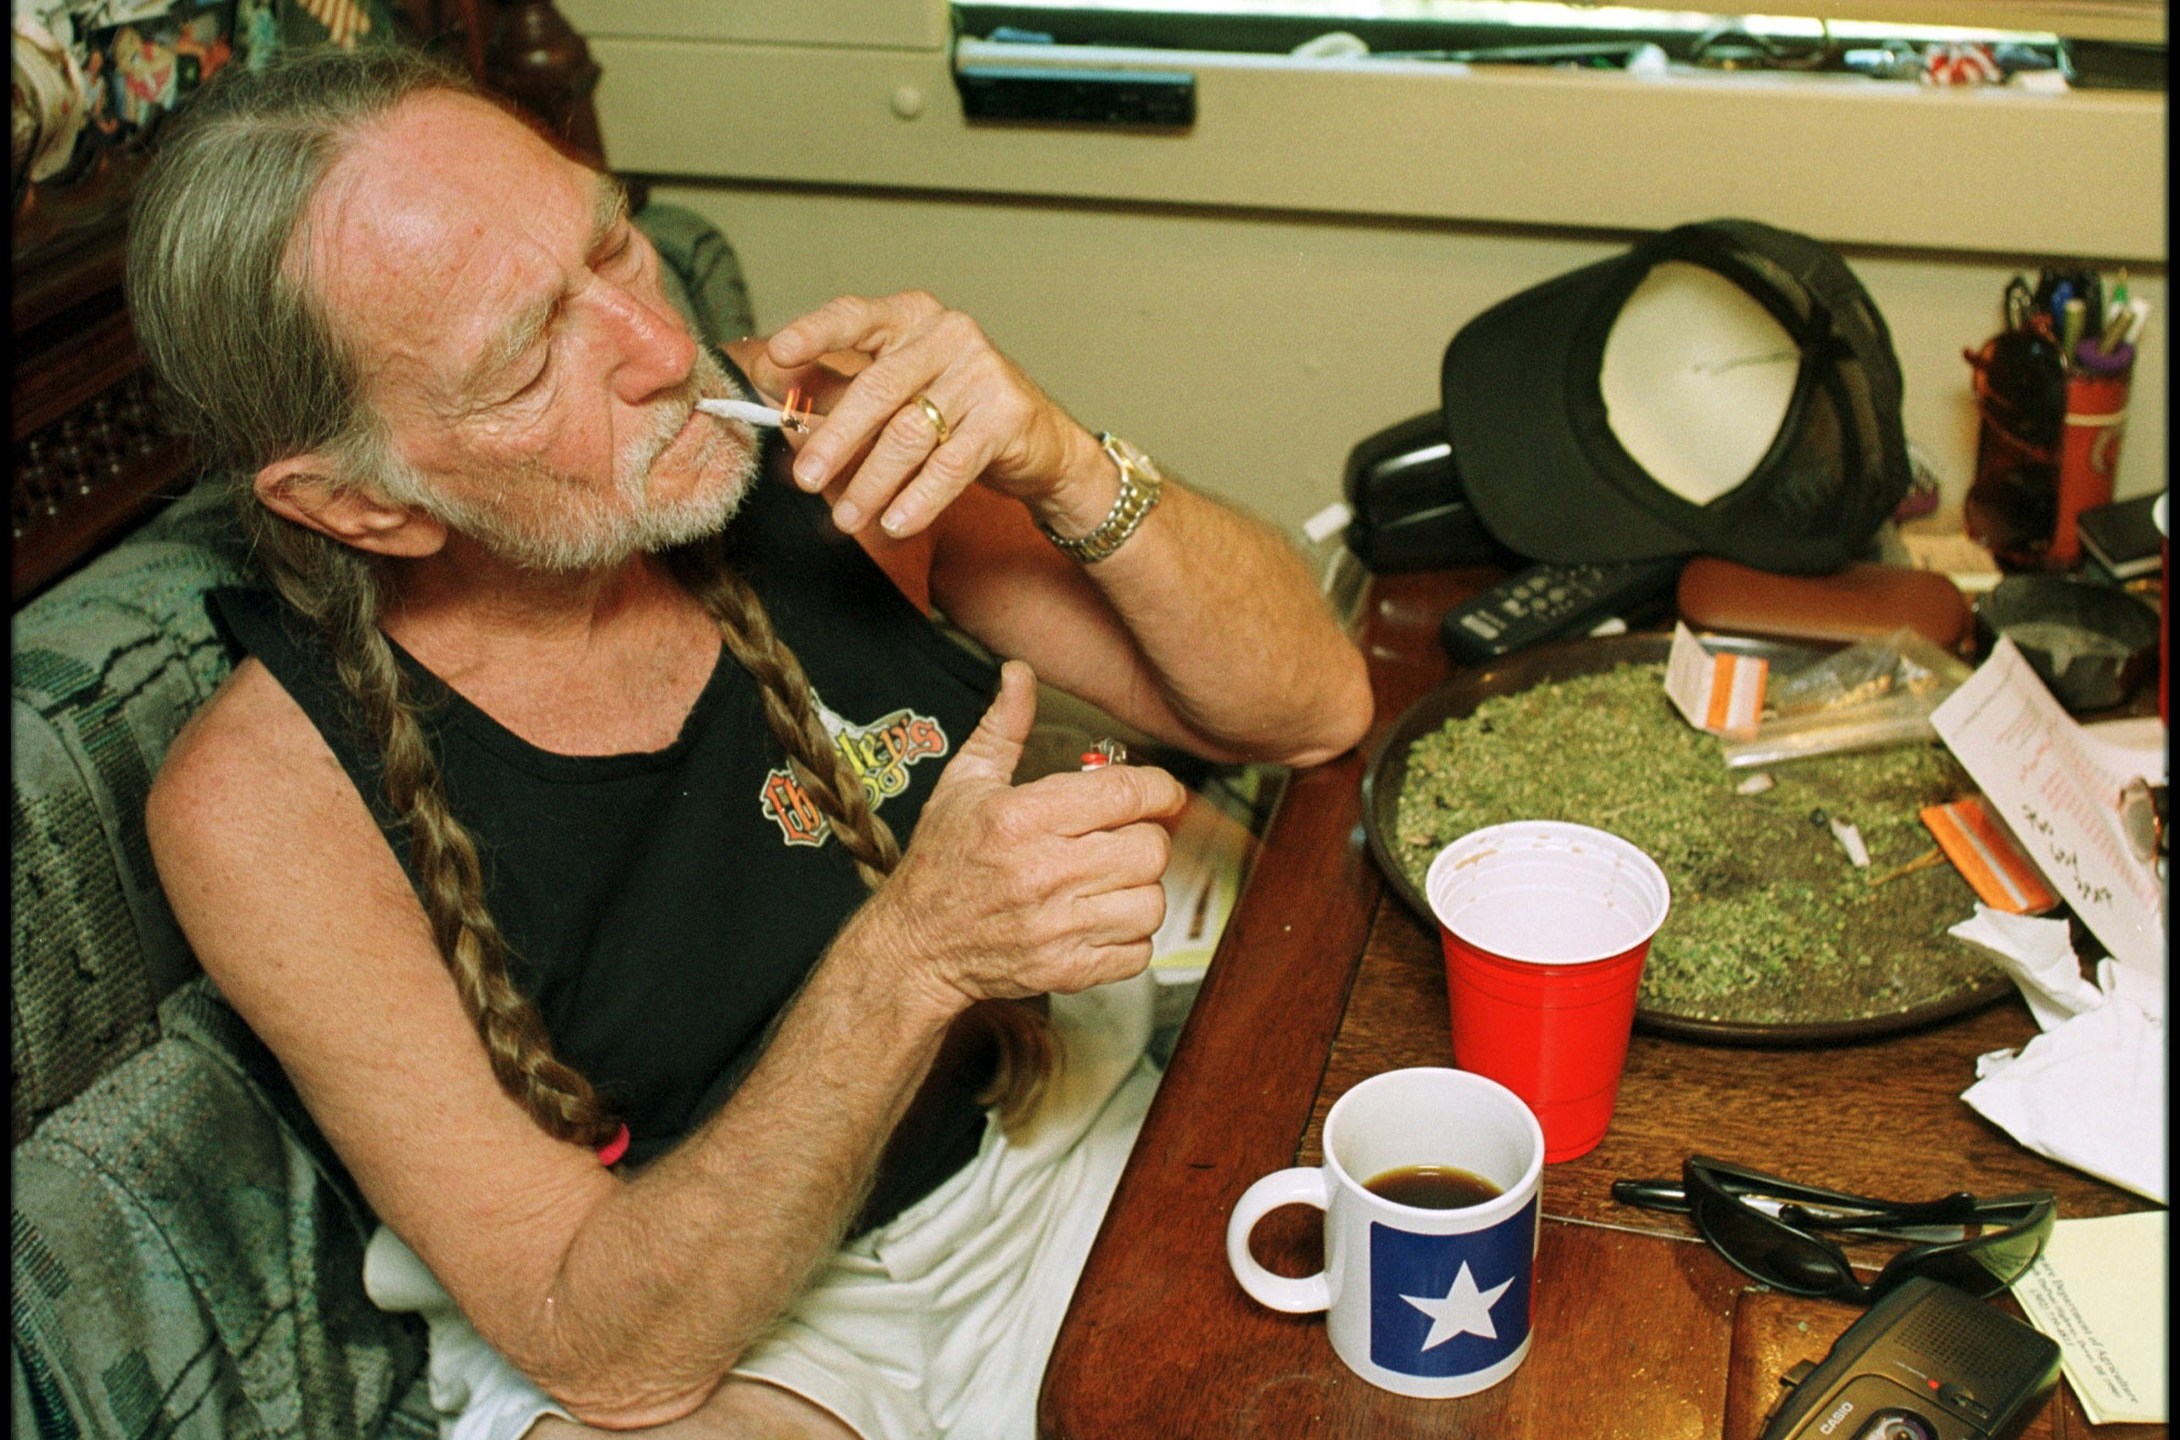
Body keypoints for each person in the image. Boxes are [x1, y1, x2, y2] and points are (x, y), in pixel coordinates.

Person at [130, 46, 1373, 1440]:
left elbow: (1311, 704)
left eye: (615, 243)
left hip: (1051, 1140)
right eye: (535, 355)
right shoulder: (265, 802)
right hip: (732, 1339)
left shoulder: (813, 446)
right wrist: (914, 957)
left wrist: (1066, 458)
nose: (665, 351)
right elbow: (606, 1351)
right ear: (363, 506)